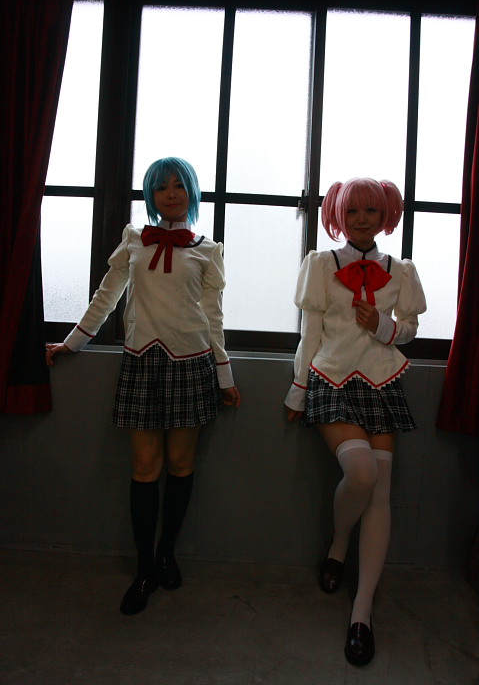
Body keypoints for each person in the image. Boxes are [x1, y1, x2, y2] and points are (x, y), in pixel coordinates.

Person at [47, 156, 240, 616]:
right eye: (160, 187)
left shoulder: (208, 249)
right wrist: (72, 342)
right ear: (150, 195)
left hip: (191, 364)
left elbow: (213, 317)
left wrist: (224, 375)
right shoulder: (134, 239)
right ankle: (144, 569)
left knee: (180, 464)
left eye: (179, 185)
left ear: (192, 192)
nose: (171, 194)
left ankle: (167, 553)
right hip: (141, 362)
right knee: (144, 468)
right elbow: (107, 295)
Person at [285, 177, 426, 666]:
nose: (362, 220)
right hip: (331, 378)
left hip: (382, 382)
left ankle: (361, 614)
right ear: (337, 215)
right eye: (352, 211)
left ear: (385, 216)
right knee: (362, 474)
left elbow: (409, 330)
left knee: (380, 491)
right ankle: (340, 543)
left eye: (371, 211)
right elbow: (309, 334)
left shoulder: (400, 271)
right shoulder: (321, 264)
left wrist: (383, 326)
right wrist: (298, 390)